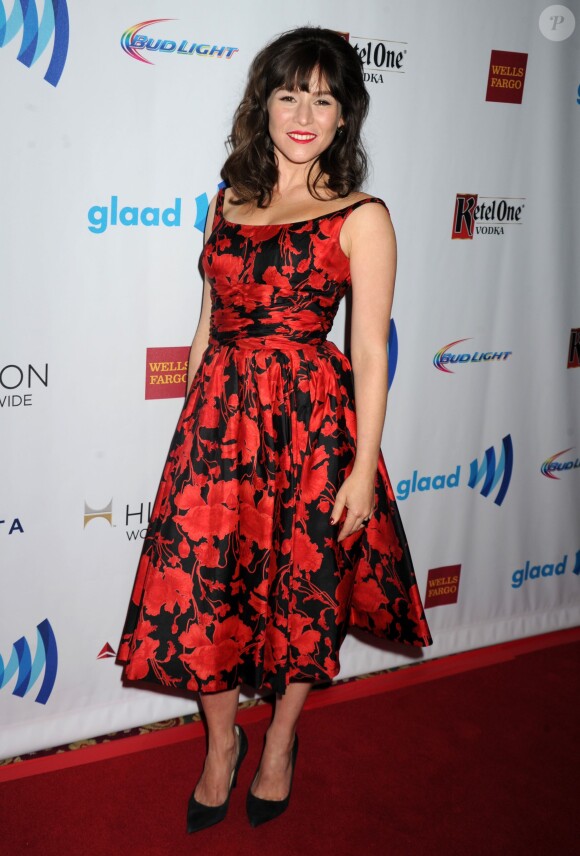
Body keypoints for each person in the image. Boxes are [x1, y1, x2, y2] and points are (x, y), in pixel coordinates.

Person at [117, 25, 432, 833]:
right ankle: (221, 743)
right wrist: (192, 426)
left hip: (311, 425)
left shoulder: (361, 215)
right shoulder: (227, 199)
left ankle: (282, 739)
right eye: (291, 93)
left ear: (343, 116)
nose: (304, 113)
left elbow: (368, 350)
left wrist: (362, 469)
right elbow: (205, 325)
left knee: (306, 588)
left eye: (323, 99)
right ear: (265, 103)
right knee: (198, 588)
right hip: (219, 423)